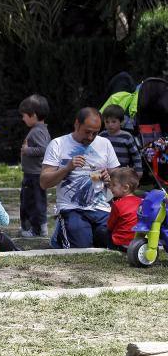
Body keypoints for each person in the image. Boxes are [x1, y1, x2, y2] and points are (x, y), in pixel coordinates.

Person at [41, 107, 120, 249]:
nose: (90, 137)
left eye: (95, 133)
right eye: (87, 132)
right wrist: (67, 168)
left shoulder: (105, 143)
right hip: (72, 208)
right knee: (81, 247)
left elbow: (118, 178)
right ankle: (59, 235)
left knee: (111, 242)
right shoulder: (58, 144)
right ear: (77, 124)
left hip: (101, 208)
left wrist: (109, 180)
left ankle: (87, 232)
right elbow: (44, 182)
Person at [18, 94, 51, 237]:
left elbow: (44, 149)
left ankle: (37, 229)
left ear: (34, 115)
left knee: (33, 202)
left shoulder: (37, 131)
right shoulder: (40, 129)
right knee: (34, 200)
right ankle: (37, 227)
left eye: (24, 115)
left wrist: (27, 150)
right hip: (33, 173)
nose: (22, 118)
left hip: (35, 174)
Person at [100, 104, 143, 178]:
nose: (110, 125)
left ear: (121, 122)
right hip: (105, 172)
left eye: (113, 122)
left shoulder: (127, 136)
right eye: (107, 122)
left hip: (123, 171)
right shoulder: (102, 136)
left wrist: (138, 170)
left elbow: (135, 154)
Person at [106, 167, 141, 252]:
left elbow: (110, 226)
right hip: (137, 242)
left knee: (102, 231)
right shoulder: (141, 202)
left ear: (125, 188)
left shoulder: (117, 204)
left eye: (114, 185)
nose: (110, 187)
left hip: (120, 243)